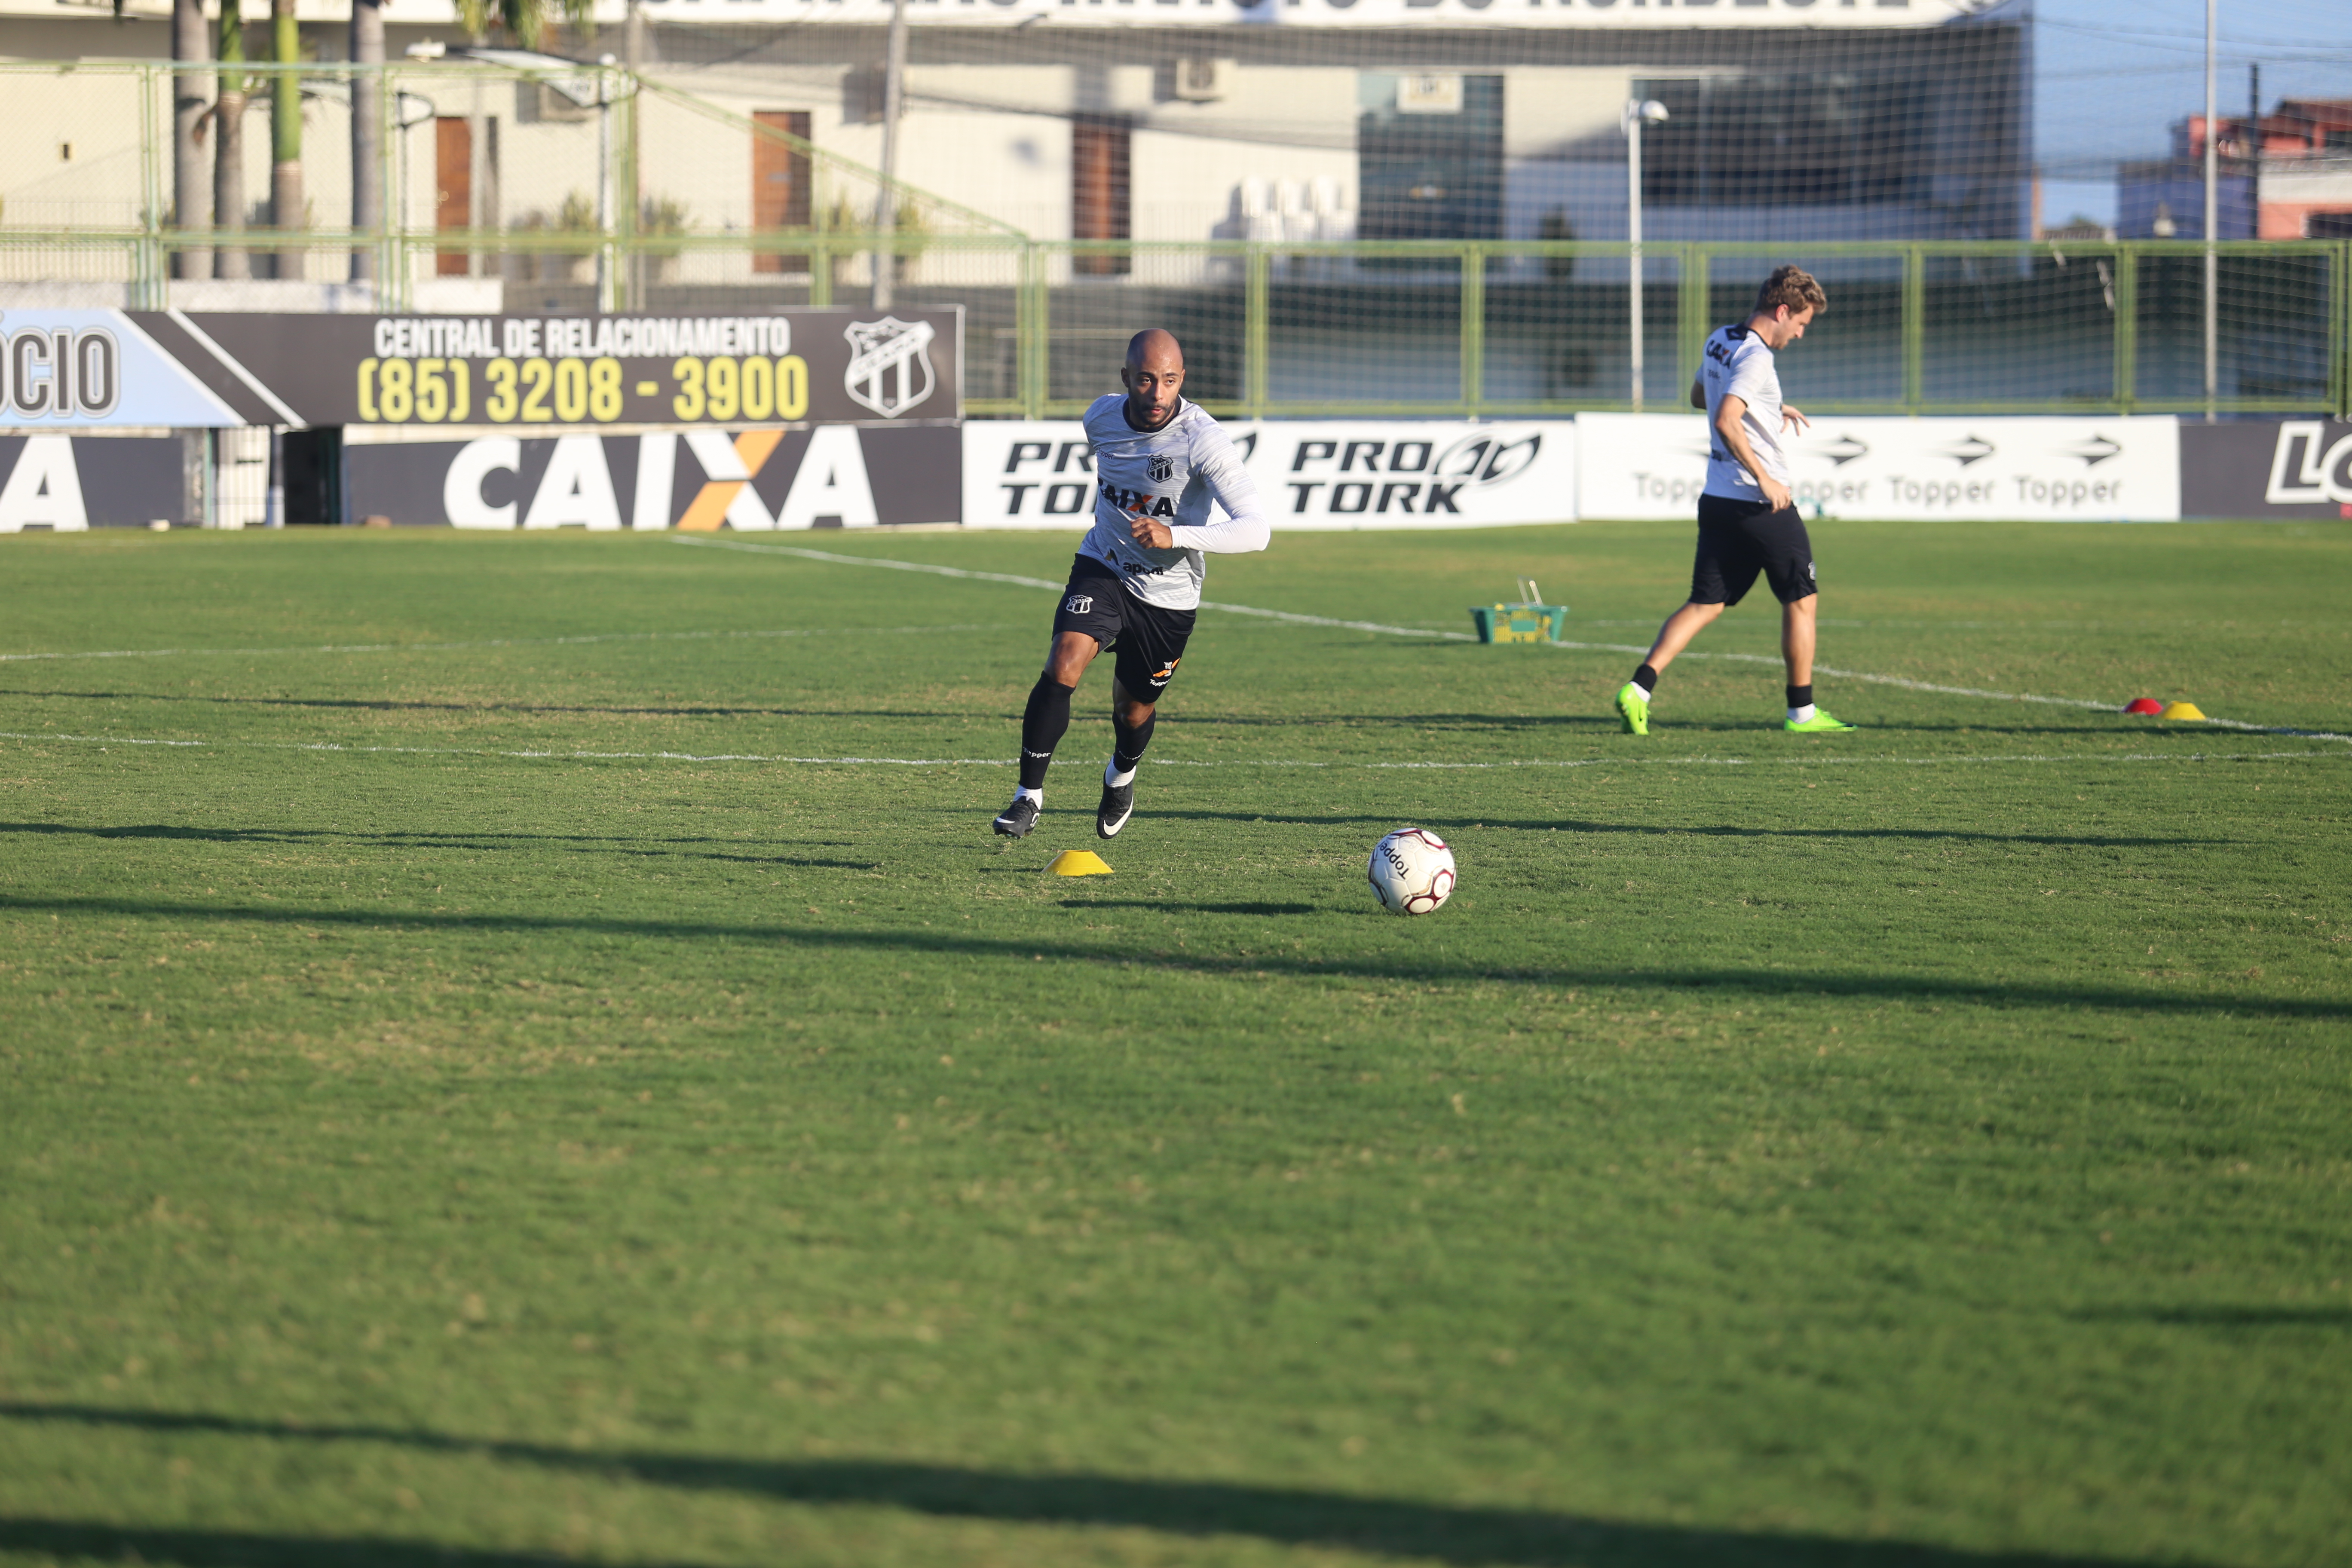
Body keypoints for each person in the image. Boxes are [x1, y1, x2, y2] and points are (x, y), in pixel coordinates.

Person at [993, 329, 1271, 840]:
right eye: (1146, 380)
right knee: (1064, 663)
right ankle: (1027, 798)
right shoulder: (1099, 418)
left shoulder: (1203, 440)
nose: (1158, 393)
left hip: (1170, 595)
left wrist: (1176, 535)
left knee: (1133, 709)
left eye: (1169, 381)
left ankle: (1122, 776)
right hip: (1104, 565)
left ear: (1182, 379)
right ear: (1126, 380)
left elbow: (1258, 530)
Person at [1614, 265, 1856, 737]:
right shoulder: (1758, 357)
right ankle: (1802, 713)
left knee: (1705, 603)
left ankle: (1638, 689)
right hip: (1759, 505)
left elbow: (1699, 395)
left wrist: (1767, 408)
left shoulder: (1721, 338)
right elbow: (1726, 418)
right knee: (1802, 599)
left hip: (1718, 499)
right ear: (1782, 311)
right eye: (1801, 324)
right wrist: (1765, 478)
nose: (1801, 334)